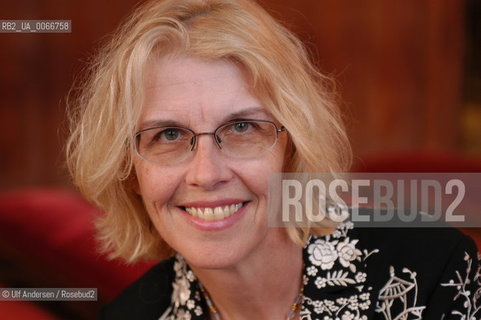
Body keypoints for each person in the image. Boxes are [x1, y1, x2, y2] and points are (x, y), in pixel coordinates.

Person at [66, 0, 481, 319]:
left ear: (292, 147)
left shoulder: (431, 270)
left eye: (243, 128)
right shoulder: (131, 315)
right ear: (130, 171)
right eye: (169, 135)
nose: (207, 173)